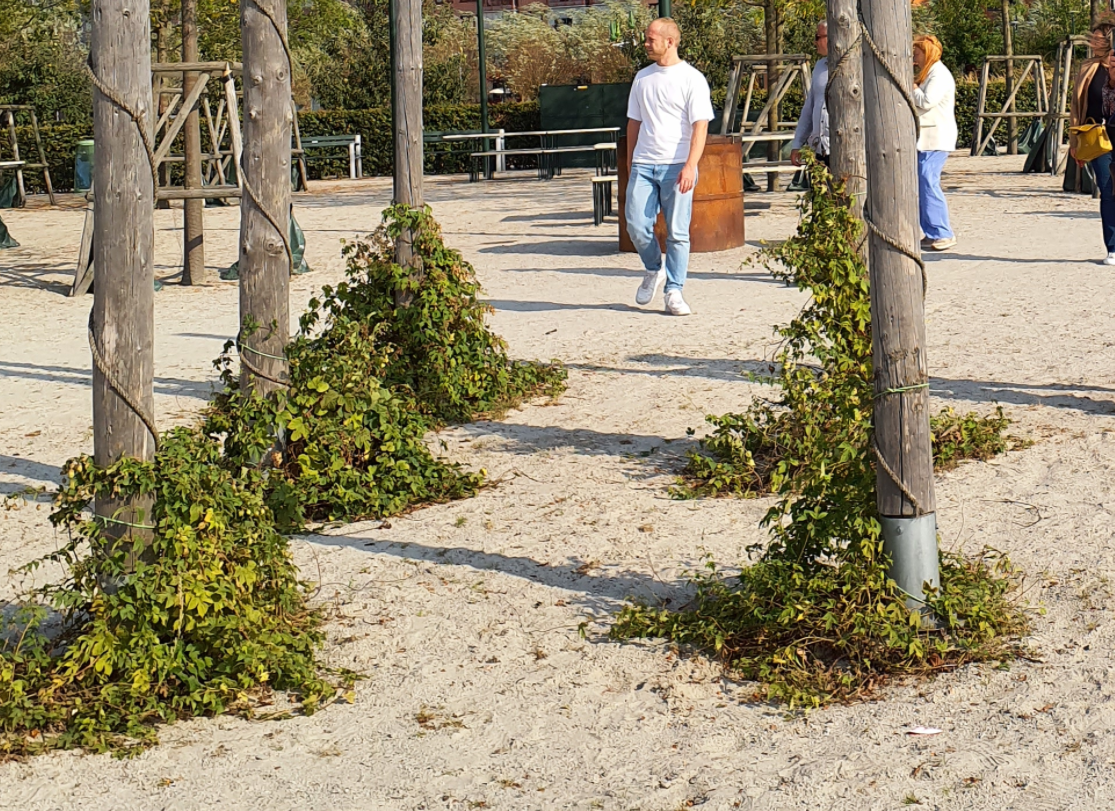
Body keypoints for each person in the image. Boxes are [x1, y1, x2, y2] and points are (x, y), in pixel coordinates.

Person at [626, 17, 714, 316]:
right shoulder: (642, 78)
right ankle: (654, 268)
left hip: (677, 165)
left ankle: (674, 290)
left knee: (678, 232)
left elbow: (700, 126)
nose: (646, 44)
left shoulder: (692, 79)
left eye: (651, 39)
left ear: (670, 42)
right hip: (644, 163)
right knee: (636, 225)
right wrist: (630, 164)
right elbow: (633, 123)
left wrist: (691, 166)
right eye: (647, 38)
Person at [1070, 17, 1115, 265]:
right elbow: (1077, 106)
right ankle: (1113, 247)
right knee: (1107, 191)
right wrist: (1075, 140)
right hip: (1098, 137)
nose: (1093, 41)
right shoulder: (1088, 68)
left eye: (1098, 37)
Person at [913, 35, 958, 252]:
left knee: (927, 180)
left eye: (918, 52)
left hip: (937, 138)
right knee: (922, 183)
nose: (914, 56)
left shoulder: (939, 74)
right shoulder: (929, 73)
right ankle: (931, 231)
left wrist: (912, 87)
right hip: (927, 139)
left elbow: (926, 101)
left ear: (927, 53)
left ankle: (943, 232)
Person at [790, 21, 829, 167]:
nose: (815, 42)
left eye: (818, 37)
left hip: (846, 149)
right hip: (819, 149)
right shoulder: (819, 67)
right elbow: (809, 108)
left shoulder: (855, 66)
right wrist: (797, 143)